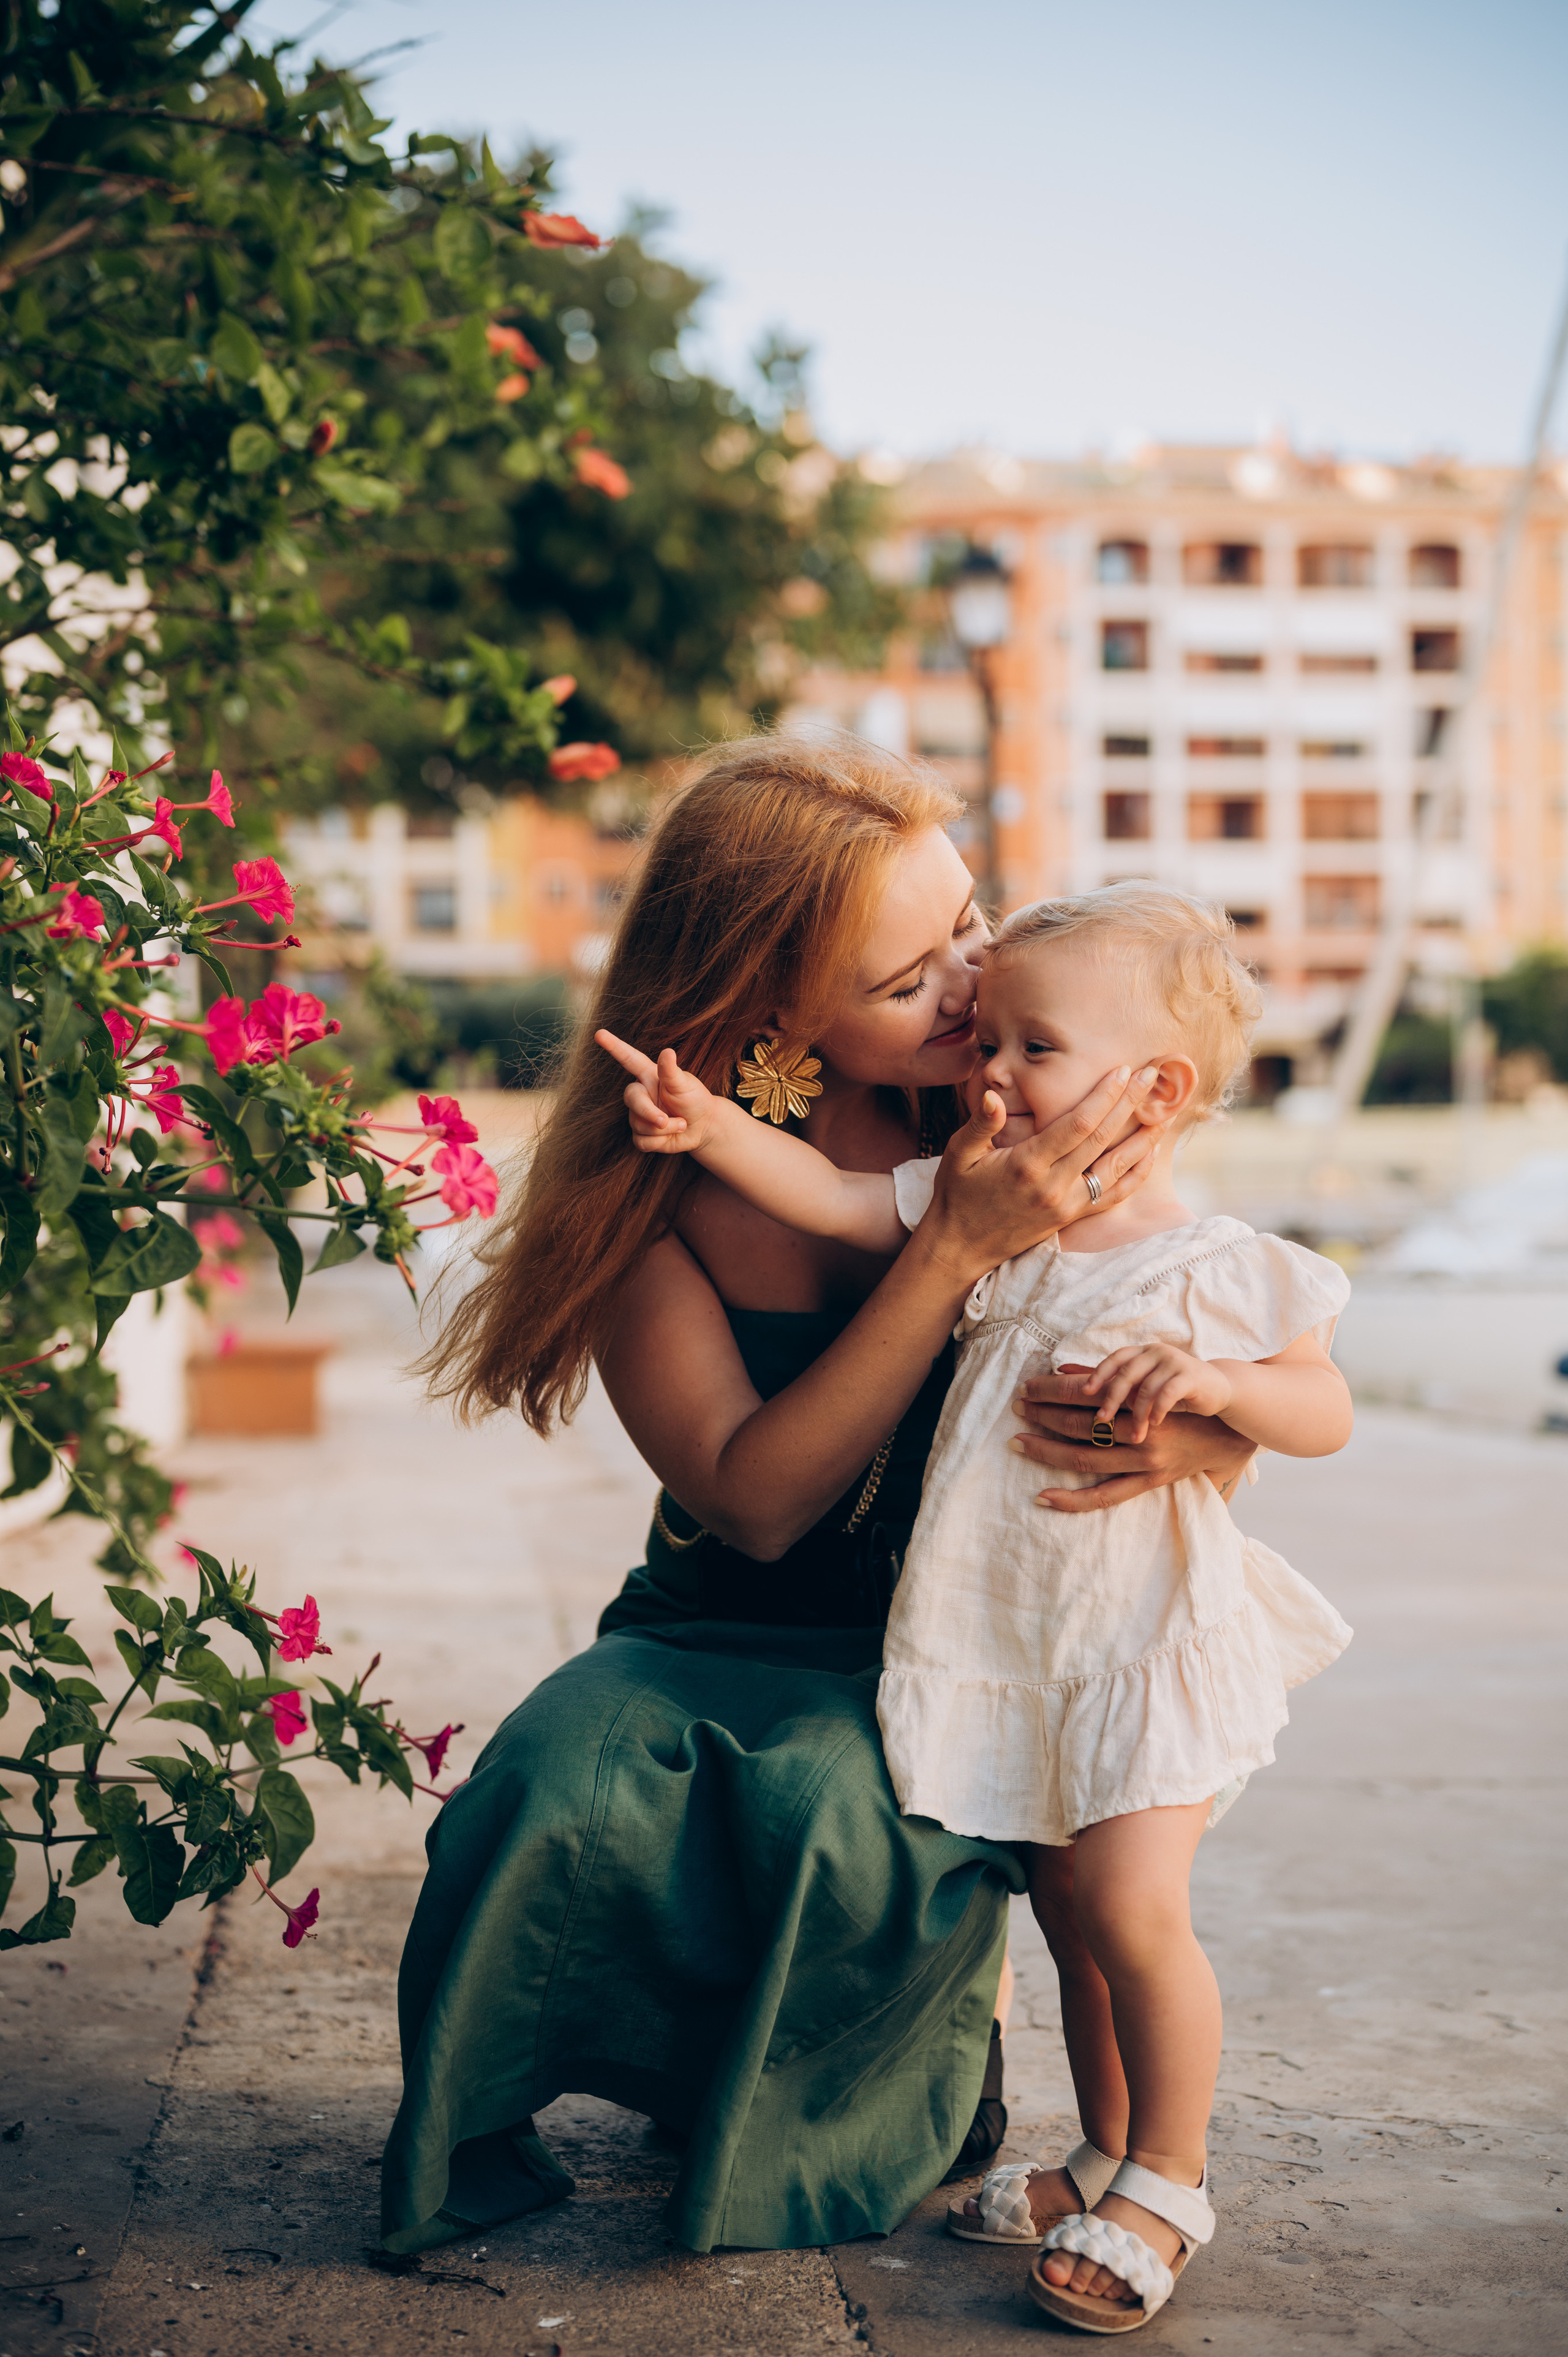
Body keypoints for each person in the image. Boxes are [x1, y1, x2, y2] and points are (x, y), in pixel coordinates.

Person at [384, 739, 1257, 2260]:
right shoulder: (652, 1191)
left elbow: (1192, 1317)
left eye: (970, 922)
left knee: (843, 1806)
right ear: (768, 1012)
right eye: (910, 977)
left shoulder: (1016, 1099)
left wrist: (1199, 1439)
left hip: (957, 1623)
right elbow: (757, 1506)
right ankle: (637, 2058)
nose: (973, 984)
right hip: (719, 1614)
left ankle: (882, 2071)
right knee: (548, 1779)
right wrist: (947, 1253)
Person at [597, 879, 1354, 2328]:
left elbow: (1320, 1407)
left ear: (1154, 1090)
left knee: (1133, 1910)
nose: (988, 1073)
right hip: (1020, 1643)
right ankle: (1102, 2153)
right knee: (1067, 1912)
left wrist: (1216, 1390)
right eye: (987, 1038)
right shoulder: (974, 1201)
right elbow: (826, 1193)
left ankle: (1172, 2179)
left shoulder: (1213, 1262)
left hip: (1139, 1646)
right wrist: (707, 1127)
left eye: (1032, 1047)